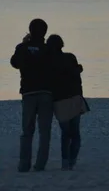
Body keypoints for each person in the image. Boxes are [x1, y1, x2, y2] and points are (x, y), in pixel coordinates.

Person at [10, 18, 55, 172]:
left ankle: (24, 164)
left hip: (29, 92)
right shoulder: (48, 49)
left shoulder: (22, 47)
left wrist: (24, 44)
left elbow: (14, 63)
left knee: (27, 131)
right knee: (45, 131)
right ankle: (40, 164)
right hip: (46, 92)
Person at [46, 34, 88, 170]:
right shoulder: (70, 57)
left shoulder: (49, 62)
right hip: (74, 97)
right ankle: (72, 160)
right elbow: (77, 79)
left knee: (66, 133)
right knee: (75, 133)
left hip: (60, 100)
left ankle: (65, 161)